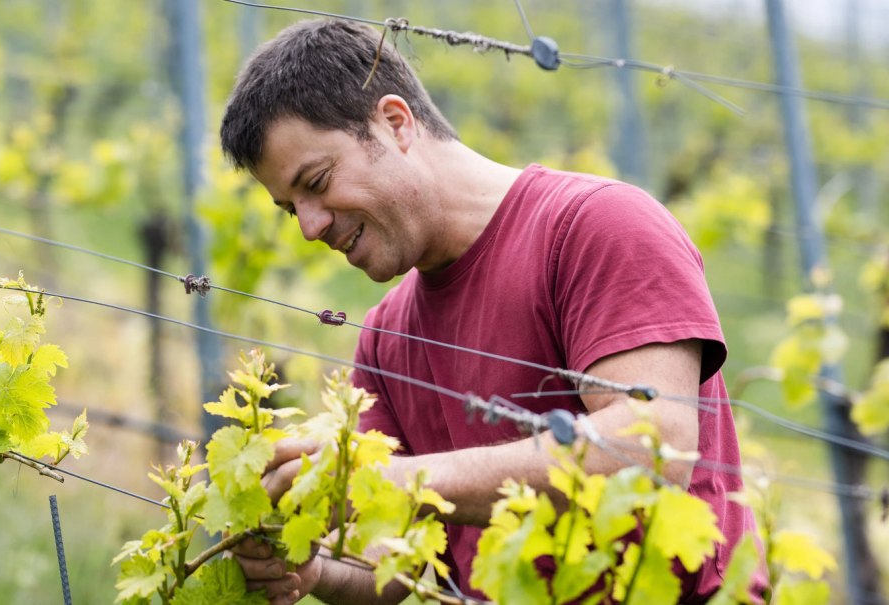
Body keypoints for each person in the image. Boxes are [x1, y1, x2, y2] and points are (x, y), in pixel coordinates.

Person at [218, 19, 762, 605]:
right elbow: (393, 552)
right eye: (288, 208)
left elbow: (652, 449)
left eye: (318, 182)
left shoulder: (598, 227)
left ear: (395, 123)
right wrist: (316, 570)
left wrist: (397, 480)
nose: (309, 226)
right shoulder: (384, 337)